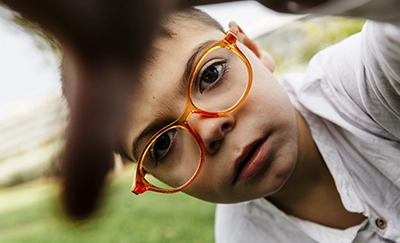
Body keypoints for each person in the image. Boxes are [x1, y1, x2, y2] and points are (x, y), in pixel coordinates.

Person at [61, 2, 400, 241]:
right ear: (151, 176)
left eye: (210, 74)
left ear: (251, 49)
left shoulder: (363, 86)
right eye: (162, 143)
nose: (209, 129)